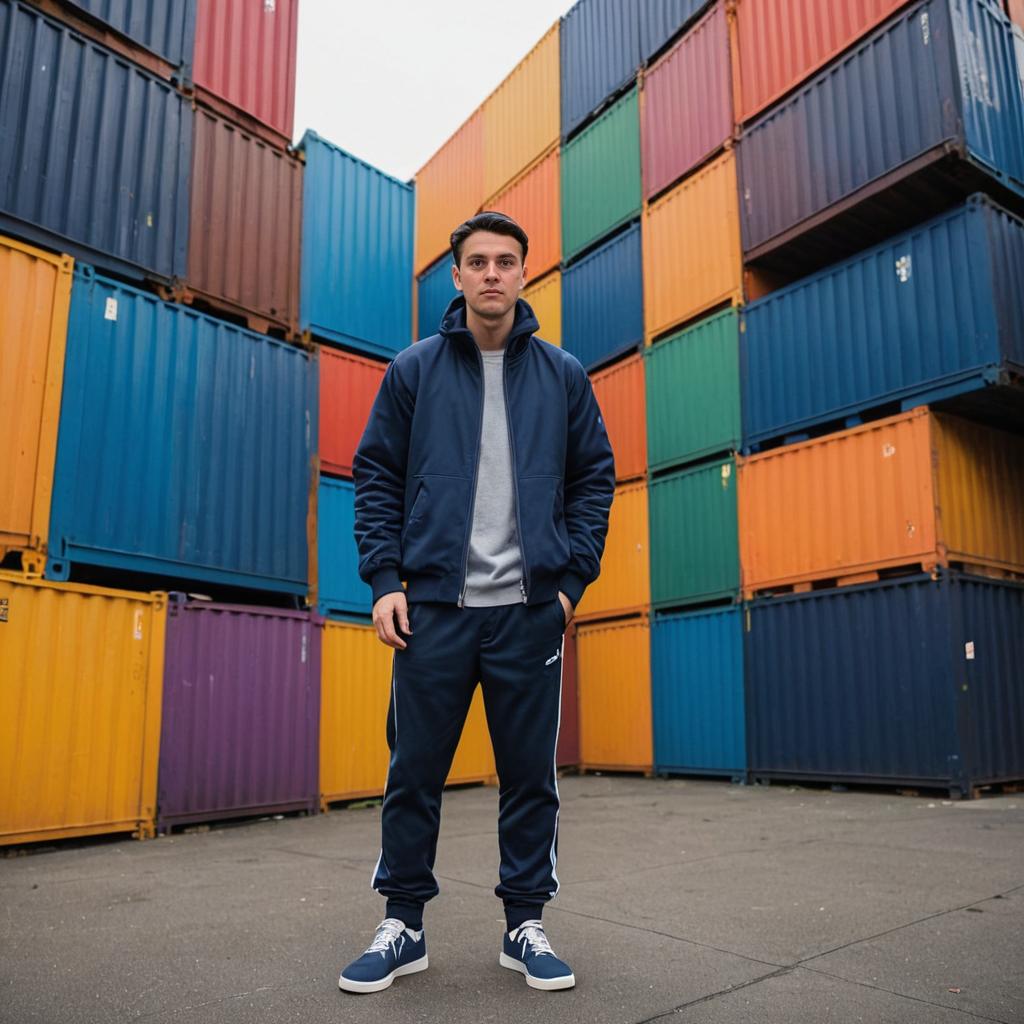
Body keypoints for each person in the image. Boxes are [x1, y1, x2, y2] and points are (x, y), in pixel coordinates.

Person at [339, 211, 615, 994]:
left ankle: (524, 923)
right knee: (414, 772)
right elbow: (377, 477)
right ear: (456, 277)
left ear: (525, 273)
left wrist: (569, 587)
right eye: (477, 262)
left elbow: (596, 477)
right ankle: (403, 924)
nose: (492, 273)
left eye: (506, 261)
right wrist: (386, 582)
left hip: (529, 614)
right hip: (433, 611)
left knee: (530, 777)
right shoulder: (414, 371)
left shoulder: (562, 374)